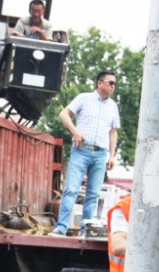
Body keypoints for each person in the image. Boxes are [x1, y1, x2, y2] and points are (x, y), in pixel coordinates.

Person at [50, 71, 121, 236]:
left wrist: (112, 155)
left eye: (114, 84)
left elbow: (113, 131)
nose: (113, 86)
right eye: (110, 83)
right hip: (81, 151)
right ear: (99, 83)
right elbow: (63, 114)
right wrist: (75, 132)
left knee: (93, 194)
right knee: (71, 190)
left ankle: (86, 231)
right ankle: (61, 227)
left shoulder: (113, 106)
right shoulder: (84, 98)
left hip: (100, 154)